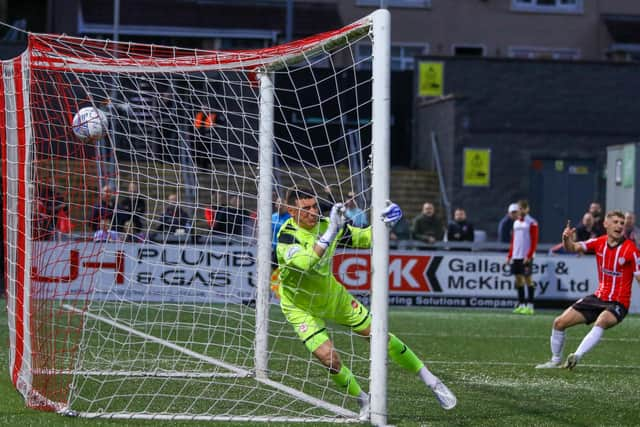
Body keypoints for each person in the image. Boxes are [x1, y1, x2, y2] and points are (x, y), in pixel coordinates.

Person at [275, 188, 456, 420]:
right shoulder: (286, 235)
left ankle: (432, 381)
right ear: (291, 211)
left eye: (314, 206)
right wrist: (331, 231)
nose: (312, 212)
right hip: (299, 307)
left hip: (333, 298)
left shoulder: (326, 223)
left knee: (380, 337)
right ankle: (363, 399)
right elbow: (307, 262)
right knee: (329, 359)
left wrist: (388, 223)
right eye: (305, 208)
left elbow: (365, 238)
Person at [536, 210, 640, 370]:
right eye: (616, 222)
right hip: (598, 297)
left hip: (619, 302)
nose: (620, 225)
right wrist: (566, 239)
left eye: (622, 223)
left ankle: (576, 356)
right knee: (559, 322)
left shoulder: (630, 250)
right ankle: (555, 360)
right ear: (606, 224)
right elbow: (572, 248)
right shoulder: (599, 242)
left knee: (602, 321)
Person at [507, 200, 539, 315]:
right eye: (519, 208)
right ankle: (521, 304)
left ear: (527, 209)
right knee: (518, 280)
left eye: (523, 208)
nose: (521, 211)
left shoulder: (532, 222)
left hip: (526, 256)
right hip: (516, 255)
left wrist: (529, 255)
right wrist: (510, 255)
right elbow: (513, 241)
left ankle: (530, 305)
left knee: (528, 279)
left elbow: (534, 241)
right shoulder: (516, 223)